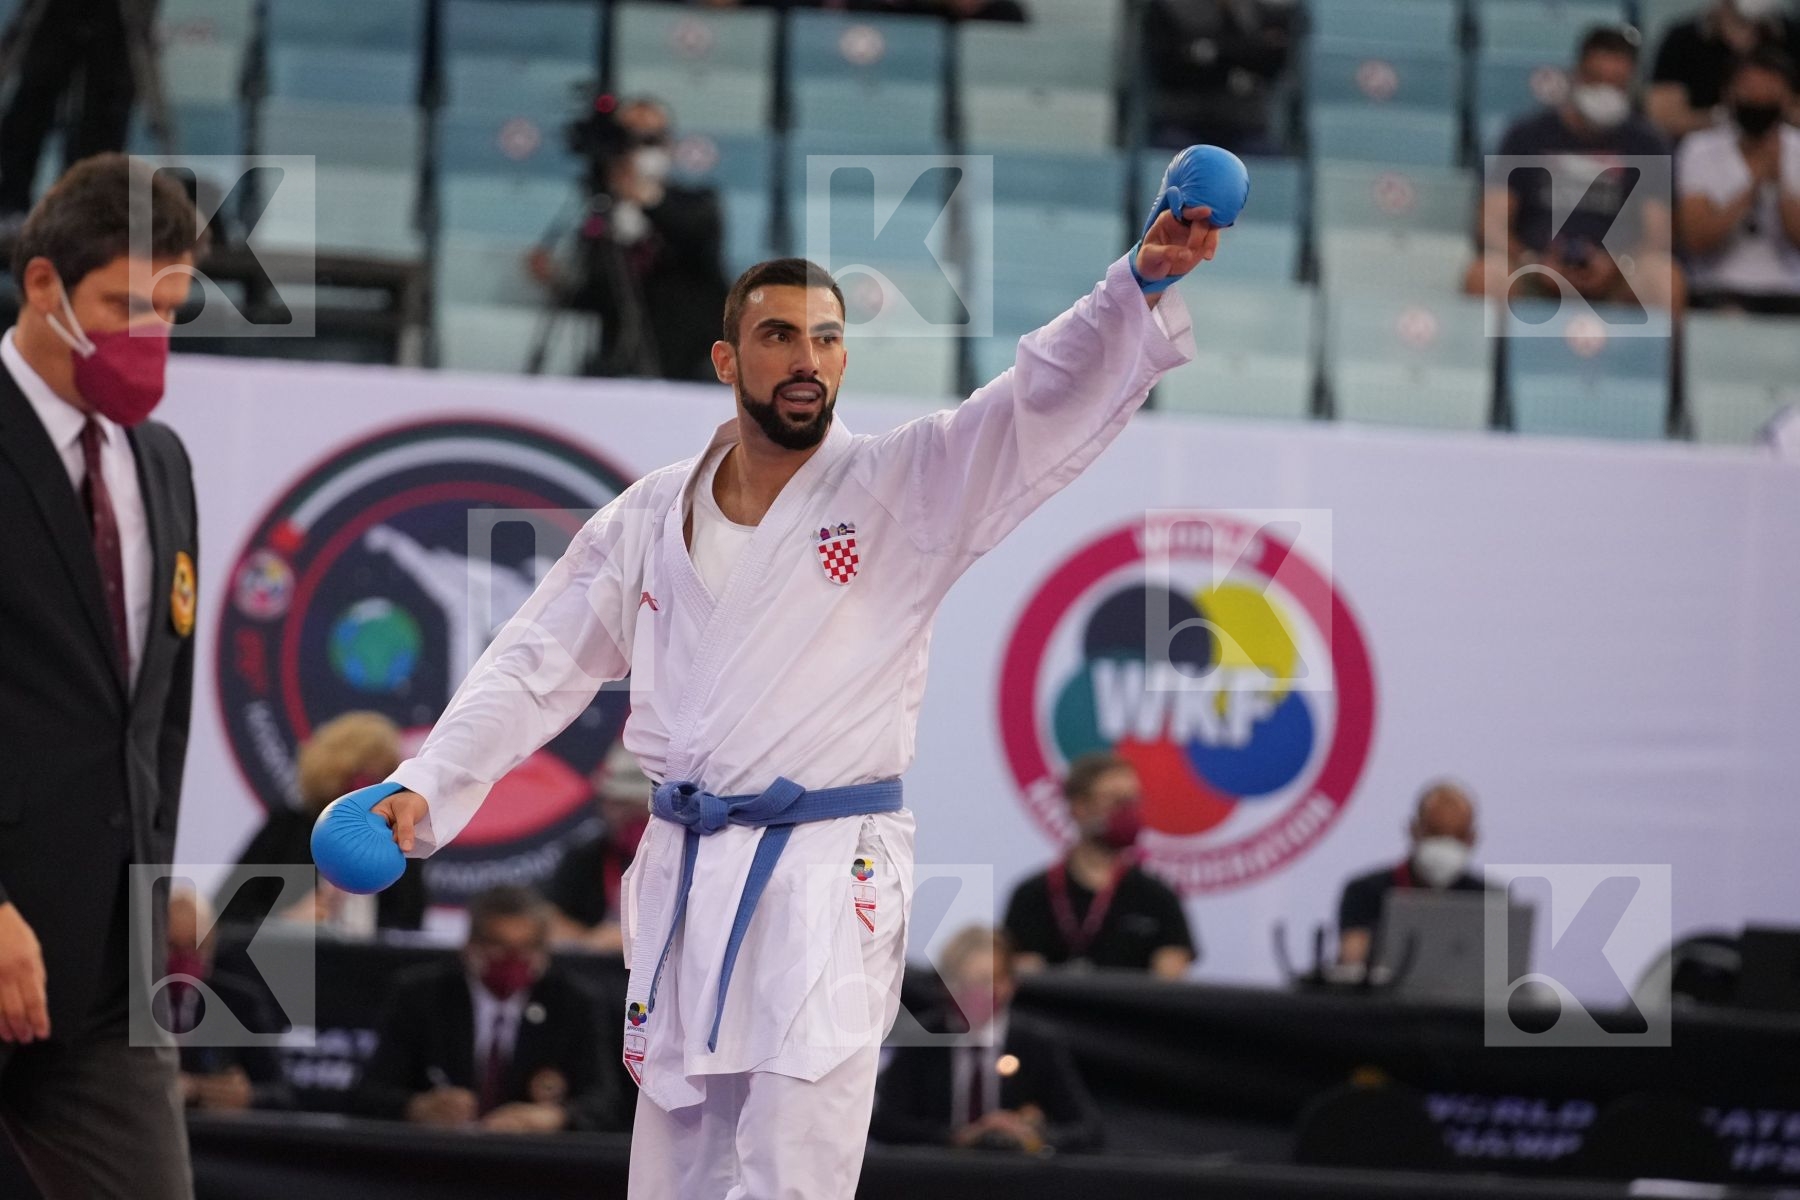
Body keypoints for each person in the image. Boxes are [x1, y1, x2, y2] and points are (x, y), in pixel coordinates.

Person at [344, 143, 1220, 1198]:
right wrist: (424, 782)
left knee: (794, 1164)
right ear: (727, 360)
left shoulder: (906, 485)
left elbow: (1030, 405)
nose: (807, 358)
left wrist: (1134, 288)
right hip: (683, 862)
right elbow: (536, 662)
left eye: (827, 338)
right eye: (777, 336)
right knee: (675, 1156)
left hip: (826, 865)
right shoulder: (651, 513)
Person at [0, 152, 202, 1200]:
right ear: (43, 287)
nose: (149, 337)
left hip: (107, 971)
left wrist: (156, 890)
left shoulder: (158, 461)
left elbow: (152, 718)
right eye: (124, 306)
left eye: (168, 309)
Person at [352, 885, 621, 1132]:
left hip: (535, 1166)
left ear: (545, 951)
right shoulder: (420, 995)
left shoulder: (574, 1002)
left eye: (526, 949)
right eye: (499, 947)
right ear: (470, 945)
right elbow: (369, 1092)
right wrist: (417, 1107)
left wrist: (556, 1117)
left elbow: (606, 1102)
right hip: (438, 1158)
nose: (513, 962)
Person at [1464, 27, 1685, 314]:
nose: (1606, 93)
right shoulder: (1526, 135)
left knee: (1664, 280)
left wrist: (1617, 264)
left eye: (1617, 85)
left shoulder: (1648, 144)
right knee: (1485, 275)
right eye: (1596, 80)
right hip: (1536, 267)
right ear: (1576, 76)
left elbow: (1657, 235)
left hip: (1616, 273)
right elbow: (1491, 223)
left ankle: (1649, 359)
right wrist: (1534, 261)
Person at [529, 97, 730, 382]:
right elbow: (601, 295)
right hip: (621, 365)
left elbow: (696, 237)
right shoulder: (602, 214)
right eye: (629, 138)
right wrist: (556, 281)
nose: (636, 149)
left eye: (649, 139)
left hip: (691, 367)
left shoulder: (698, 202)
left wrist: (643, 196)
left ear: (669, 145)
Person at [870, 926, 1103, 1153]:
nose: (974, 994)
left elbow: (1088, 1129)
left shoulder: (1038, 1044)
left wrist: (1029, 1137)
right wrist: (958, 1136)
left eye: (986, 981)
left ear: (1010, 984)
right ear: (943, 986)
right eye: (961, 981)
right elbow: (886, 1124)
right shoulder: (921, 1040)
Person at [221, 711, 427, 935]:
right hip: (287, 963)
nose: (374, 795)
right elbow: (228, 916)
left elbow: (409, 927)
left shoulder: (398, 840)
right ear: (335, 774)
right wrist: (284, 924)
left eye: (386, 780)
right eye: (364, 780)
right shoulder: (287, 830)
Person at [1002, 752, 1197, 979]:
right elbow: (1023, 985)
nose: (1128, 813)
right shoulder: (1032, 896)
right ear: (1079, 807)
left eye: (1133, 801)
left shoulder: (1157, 897)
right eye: (1116, 801)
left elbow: (1170, 990)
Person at [0, 0, 159, 222]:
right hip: (54, 13)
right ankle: (14, 205)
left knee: (105, 108)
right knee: (33, 100)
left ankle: (89, 205)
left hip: (117, 16)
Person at [1676, 48, 1800, 309]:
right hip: (1717, 289)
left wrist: (1779, 184)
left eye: (1768, 91)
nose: (1757, 99)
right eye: (1749, 90)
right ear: (1729, 94)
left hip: (1789, 292)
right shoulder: (1699, 148)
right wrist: (1751, 188)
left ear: (1786, 98)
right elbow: (1696, 240)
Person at [159, 887, 293, 1113]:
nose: (184, 958)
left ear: (211, 946)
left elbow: (280, 1094)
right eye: (173, 946)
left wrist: (246, 1097)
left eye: (195, 946)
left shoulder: (239, 1003)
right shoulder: (129, 1004)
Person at [1336, 781, 1486, 968]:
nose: (1446, 844)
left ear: (1472, 839)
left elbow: (1504, 972)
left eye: (1457, 835)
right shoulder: (1365, 892)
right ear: (1414, 830)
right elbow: (1351, 961)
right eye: (1435, 833)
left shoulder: (1489, 898)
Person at [1144, 0, 1297, 155]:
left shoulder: (1260, 12)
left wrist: (1209, 53)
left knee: (1265, 158)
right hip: (1183, 122)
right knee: (1176, 156)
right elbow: (1171, 68)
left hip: (1246, 126)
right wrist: (1239, 68)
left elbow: (1271, 62)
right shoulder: (1170, 8)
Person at [547, 744, 653, 953]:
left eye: (639, 804)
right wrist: (592, 940)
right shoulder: (586, 857)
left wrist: (631, 939)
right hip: (598, 976)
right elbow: (549, 920)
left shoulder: (683, 861)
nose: (629, 815)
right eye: (619, 803)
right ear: (604, 803)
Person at [1649, 0, 1800, 142]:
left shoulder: (1791, 36)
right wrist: (1720, 119)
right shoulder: (1682, 40)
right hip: (1701, 156)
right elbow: (1662, 117)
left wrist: (1768, 114)